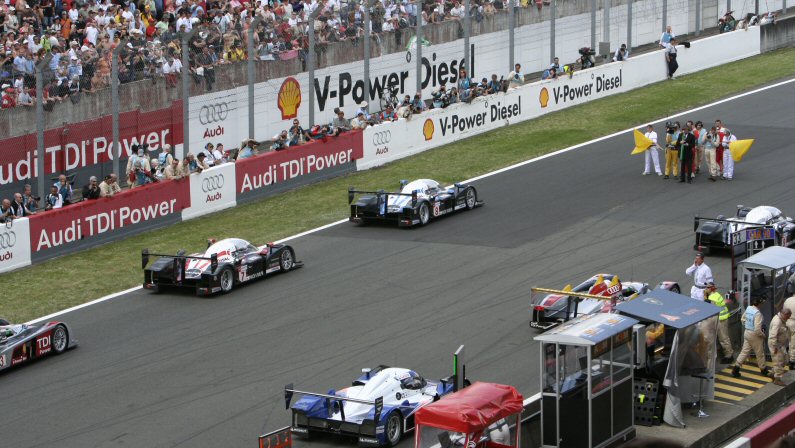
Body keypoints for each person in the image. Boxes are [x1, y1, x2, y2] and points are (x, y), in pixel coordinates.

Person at [732, 297, 769, 378]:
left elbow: (742, 319)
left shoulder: (748, 308)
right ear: (759, 304)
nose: (762, 304)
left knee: (744, 351)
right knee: (760, 353)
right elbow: (757, 329)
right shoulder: (757, 313)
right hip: (754, 335)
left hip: (747, 332)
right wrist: (763, 335)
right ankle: (764, 370)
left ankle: (736, 368)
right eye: (761, 303)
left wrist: (748, 325)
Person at [705, 283, 733, 363]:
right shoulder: (716, 294)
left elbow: (710, 309)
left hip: (721, 319)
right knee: (723, 338)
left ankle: (729, 356)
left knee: (723, 338)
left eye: (707, 288)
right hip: (721, 318)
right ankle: (726, 353)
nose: (705, 289)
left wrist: (706, 300)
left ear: (710, 289)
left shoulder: (712, 297)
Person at [768, 308, 791, 386]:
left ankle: (773, 373)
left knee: (785, 359)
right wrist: (775, 348)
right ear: (784, 315)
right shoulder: (777, 322)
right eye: (787, 317)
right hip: (775, 345)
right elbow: (773, 336)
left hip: (780, 344)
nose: (788, 319)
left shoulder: (781, 319)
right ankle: (777, 379)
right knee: (779, 361)